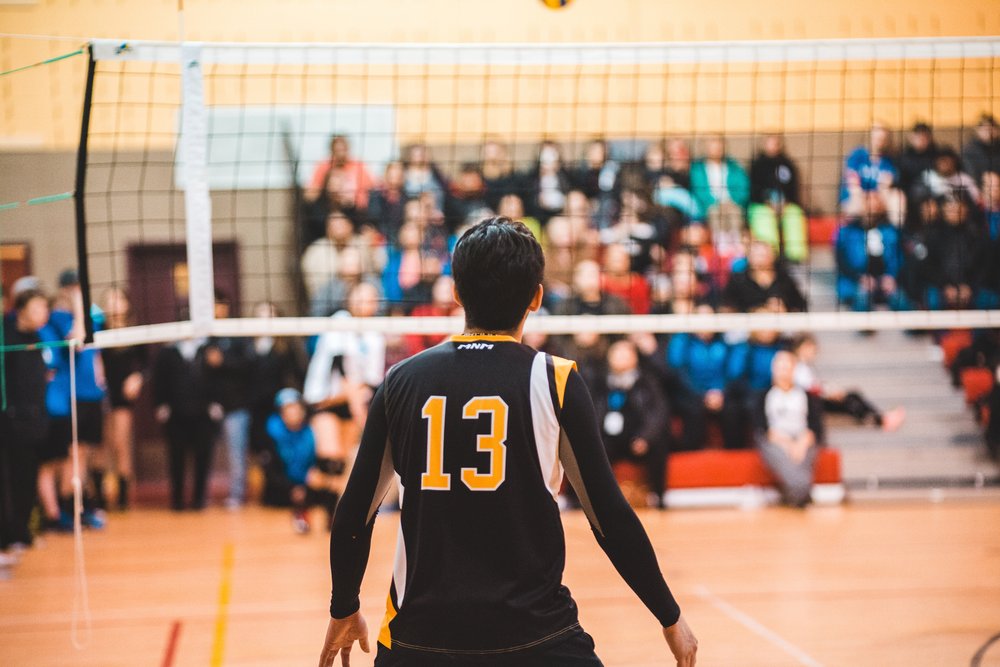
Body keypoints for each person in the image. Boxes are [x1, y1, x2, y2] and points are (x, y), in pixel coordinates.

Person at [317, 217, 697, 667]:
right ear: (537, 297)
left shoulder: (401, 380)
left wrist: (344, 606)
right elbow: (609, 517)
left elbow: (353, 513)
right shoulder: (555, 379)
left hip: (419, 640)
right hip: (537, 638)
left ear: (456, 293)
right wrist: (669, 616)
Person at [37, 269, 106, 530]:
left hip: (92, 395)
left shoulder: (91, 318)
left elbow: (94, 352)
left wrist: (102, 382)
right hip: (72, 395)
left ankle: (78, 506)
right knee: (72, 457)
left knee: (84, 455)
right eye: (73, 288)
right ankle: (66, 510)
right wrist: (78, 303)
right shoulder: (57, 319)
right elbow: (76, 343)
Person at [0, 289, 50, 560]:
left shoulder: (38, 338)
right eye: (37, 307)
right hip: (11, 422)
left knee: (28, 478)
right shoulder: (6, 336)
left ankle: (22, 533)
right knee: (11, 479)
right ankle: (9, 537)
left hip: (35, 421)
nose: (43, 313)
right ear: (21, 310)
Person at [592, 340, 671, 509]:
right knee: (592, 451)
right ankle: (596, 501)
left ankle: (659, 497)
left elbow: (659, 412)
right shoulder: (600, 382)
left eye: (625, 354)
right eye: (616, 354)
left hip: (638, 438)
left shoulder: (647, 381)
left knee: (659, 446)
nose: (620, 358)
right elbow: (592, 412)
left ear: (634, 357)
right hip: (609, 439)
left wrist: (645, 437)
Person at [153, 336, 222, 511]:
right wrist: (161, 404)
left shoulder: (208, 349)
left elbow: (218, 378)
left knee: (203, 457)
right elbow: (159, 379)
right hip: (176, 413)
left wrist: (215, 402)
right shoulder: (168, 352)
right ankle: (177, 500)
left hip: (203, 414)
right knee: (176, 457)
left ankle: (199, 499)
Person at [792, 333, 905, 437]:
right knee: (850, 399)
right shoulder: (798, 367)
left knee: (853, 396)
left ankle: (880, 417)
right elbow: (809, 388)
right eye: (813, 348)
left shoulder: (805, 367)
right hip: (812, 403)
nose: (814, 352)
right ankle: (881, 419)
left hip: (816, 400)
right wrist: (829, 393)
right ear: (804, 347)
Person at [754, 351, 822, 508]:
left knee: (801, 458)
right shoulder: (765, 396)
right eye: (779, 366)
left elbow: (815, 427)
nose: (783, 370)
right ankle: (801, 492)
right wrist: (788, 444)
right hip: (776, 440)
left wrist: (801, 443)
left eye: (787, 366)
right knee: (786, 461)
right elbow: (763, 429)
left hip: (803, 439)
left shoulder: (806, 397)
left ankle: (796, 493)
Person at [98, 287, 146, 510]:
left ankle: (123, 497)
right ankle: (100, 495)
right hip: (100, 393)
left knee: (121, 443)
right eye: (109, 300)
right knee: (102, 445)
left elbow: (147, 364)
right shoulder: (98, 329)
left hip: (123, 395)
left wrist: (137, 377)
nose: (113, 303)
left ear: (127, 303)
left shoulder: (134, 331)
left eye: (118, 299)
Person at [266, 388, 339, 534]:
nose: (293, 413)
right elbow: (272, 471)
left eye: (296, 408)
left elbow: (318, 460)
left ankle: (333, 520)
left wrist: (320, 476)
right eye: (288, 410)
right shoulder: (273, 434)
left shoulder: (310, 431)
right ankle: (301, 517)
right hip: (284, 485)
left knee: (330, 486)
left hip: (308, 479)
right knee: (301, 492)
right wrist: (294, 485)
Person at [835, 191, 910, 313]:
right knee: (862, 300)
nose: (872, 206)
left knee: (901, 301)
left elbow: (899, 258)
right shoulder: (848, 231)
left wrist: (891, 277)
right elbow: (842, 261)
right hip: (859, 281)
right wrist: (860, 278)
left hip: (885, 280)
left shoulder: (890, 231)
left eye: (876, 202)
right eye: (867, 201)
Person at [748, 134, 808, 263]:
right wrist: (767, 203)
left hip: (785, 206)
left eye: (775, 142)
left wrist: (785, 204)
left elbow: (793, 190)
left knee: (795, 213)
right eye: (769, 141)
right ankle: (770, 257)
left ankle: (795, 257)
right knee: (764, 216)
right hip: (762, 206)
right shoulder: (756, 165)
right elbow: (753, 192)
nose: (772, 145)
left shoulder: (788, 164)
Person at [689, 135, 751, 252]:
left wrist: (733, 201)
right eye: (712, 142)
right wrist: (714, 202)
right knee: (716, 213)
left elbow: (743, 188)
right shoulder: (697, 168)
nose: (716, 147)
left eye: (719, 143)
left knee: (734, 212)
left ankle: (737, 248)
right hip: (711, 206)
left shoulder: (734, 166)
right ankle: (721, 249)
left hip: (732, 204)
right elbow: (699, 190)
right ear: (705, 146)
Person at [304, 134, 375, 236]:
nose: (340, 153)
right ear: (332, 151)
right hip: (327, 213)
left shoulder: (358, 166)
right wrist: (330, 195)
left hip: (354, 213)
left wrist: (352, 201)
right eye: (337, 149)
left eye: (343, 149)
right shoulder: (323, 166)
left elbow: (370, 191)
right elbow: (311, 195)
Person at [962, 113, 1000, 185]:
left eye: (992, 128)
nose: (989, 132)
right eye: (985, 129)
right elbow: (969, 174)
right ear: (977, 131)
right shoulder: (969, 151)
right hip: (978, 188)